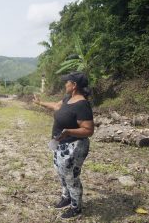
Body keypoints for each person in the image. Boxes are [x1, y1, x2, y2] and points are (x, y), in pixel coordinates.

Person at [33, 71, 94, 219]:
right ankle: (66, 198)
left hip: (74, 146)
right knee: (61, 173)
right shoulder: (68, 98)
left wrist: (68, 132)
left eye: (67, 82)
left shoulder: (82, 105)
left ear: (74, 85)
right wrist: (40, 103)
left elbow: (88, 130)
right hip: (61, 144)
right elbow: (55, 106)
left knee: (71, 177)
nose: (65, 83)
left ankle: (76, 207)